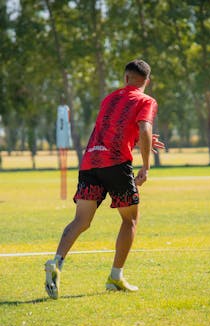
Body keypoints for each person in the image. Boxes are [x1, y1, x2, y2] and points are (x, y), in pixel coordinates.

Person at [45, 59, 165, 299]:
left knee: (81, 221)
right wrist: (146, 167)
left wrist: (140, 140)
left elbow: (114, 130)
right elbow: (143, 128)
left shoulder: (109, 99)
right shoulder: (146, 100)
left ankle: (56, 261)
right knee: (130, 220)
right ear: (147, 81)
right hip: (116, 164)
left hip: (90, 161)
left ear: (126, 78)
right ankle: (115, 277)